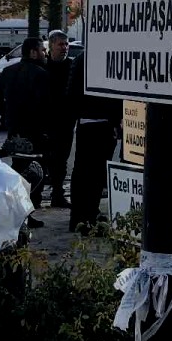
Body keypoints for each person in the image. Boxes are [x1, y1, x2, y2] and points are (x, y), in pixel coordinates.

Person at [0, 37, 51, 228]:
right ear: (33, 52)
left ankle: (18, 213)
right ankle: (27, 213)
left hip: (15, 131)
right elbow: (46, 106)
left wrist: (7, 116)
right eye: (42, 50)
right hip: (35, 133)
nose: (45, 54)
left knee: (18, 171)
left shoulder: (8, 71)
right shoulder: (41, 74)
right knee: (35, 173)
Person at [65, 48, 121, 233]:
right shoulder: (109, 56)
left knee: (82, 171)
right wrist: (117, 120)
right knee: (95, 173)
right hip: (103, 122)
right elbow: (115, 92)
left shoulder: (81, 58)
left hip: (86, 122)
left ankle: (79, 217)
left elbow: (71, 93)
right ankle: (89, 216)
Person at [43, 30, 74, 208]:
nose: (64, 48)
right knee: (46, 158)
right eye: (60, 44)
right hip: (46, 121)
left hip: (66, 121)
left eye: (66, 44)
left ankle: (57, 193)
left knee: (62, 159)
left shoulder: (71, 66)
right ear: (51, 46)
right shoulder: (43, 66)